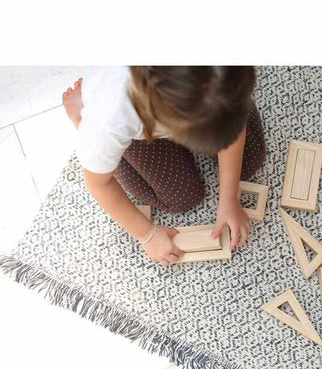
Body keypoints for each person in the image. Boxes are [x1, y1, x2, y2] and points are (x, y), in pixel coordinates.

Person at [62, 67, 266, 267]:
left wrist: (229, 198)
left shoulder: (223, 79)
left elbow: (232, 125)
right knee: (181, 198)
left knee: (249, 161)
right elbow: (99, 185)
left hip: (169, 109)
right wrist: (147, 234)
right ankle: (81, 116)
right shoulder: (111, 117)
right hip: (132, 126)